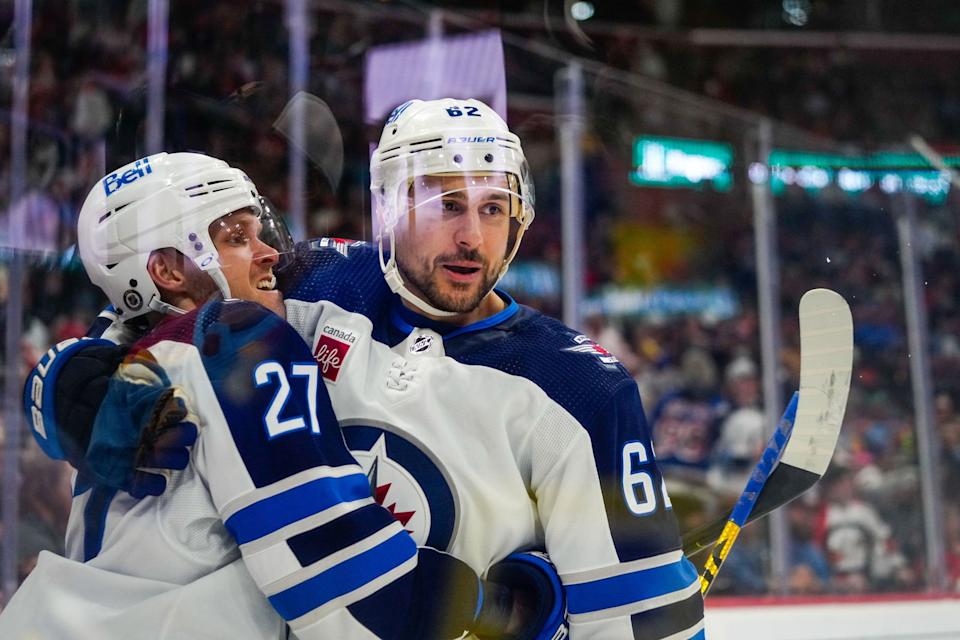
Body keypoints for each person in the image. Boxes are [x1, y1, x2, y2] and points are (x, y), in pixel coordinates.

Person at [28, 99, 705, 638]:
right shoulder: (310, 281)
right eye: (444, 204)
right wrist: (67, 383)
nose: (471, 234)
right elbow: (157, 317)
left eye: (492, 207)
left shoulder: (584, 389)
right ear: (391, 206)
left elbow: (635, 617)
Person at [9, 152, 563, 640]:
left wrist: (58, 374)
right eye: (233, 238)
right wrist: (509, 608)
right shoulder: (237, 338)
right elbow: (358, 600)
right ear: (167, 269)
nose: (269, 253)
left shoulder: (145, 354)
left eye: (259, 230)